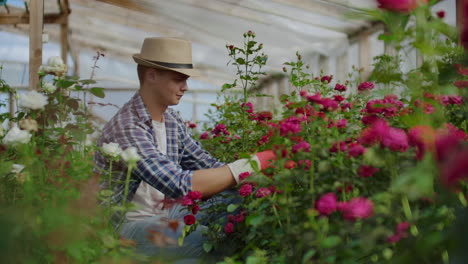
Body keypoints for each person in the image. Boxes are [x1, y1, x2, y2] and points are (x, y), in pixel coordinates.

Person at [94, 37, 274, 263]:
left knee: (239, 204)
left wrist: (261, 181)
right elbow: (178, 184)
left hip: (165, 213)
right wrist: (251, 164)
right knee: (209, 240)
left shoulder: (170, 121)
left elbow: (207, 164)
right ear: (151, 75)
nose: (185, 87)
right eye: (178, 79)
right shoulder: (128, 126)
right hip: (128, 227)